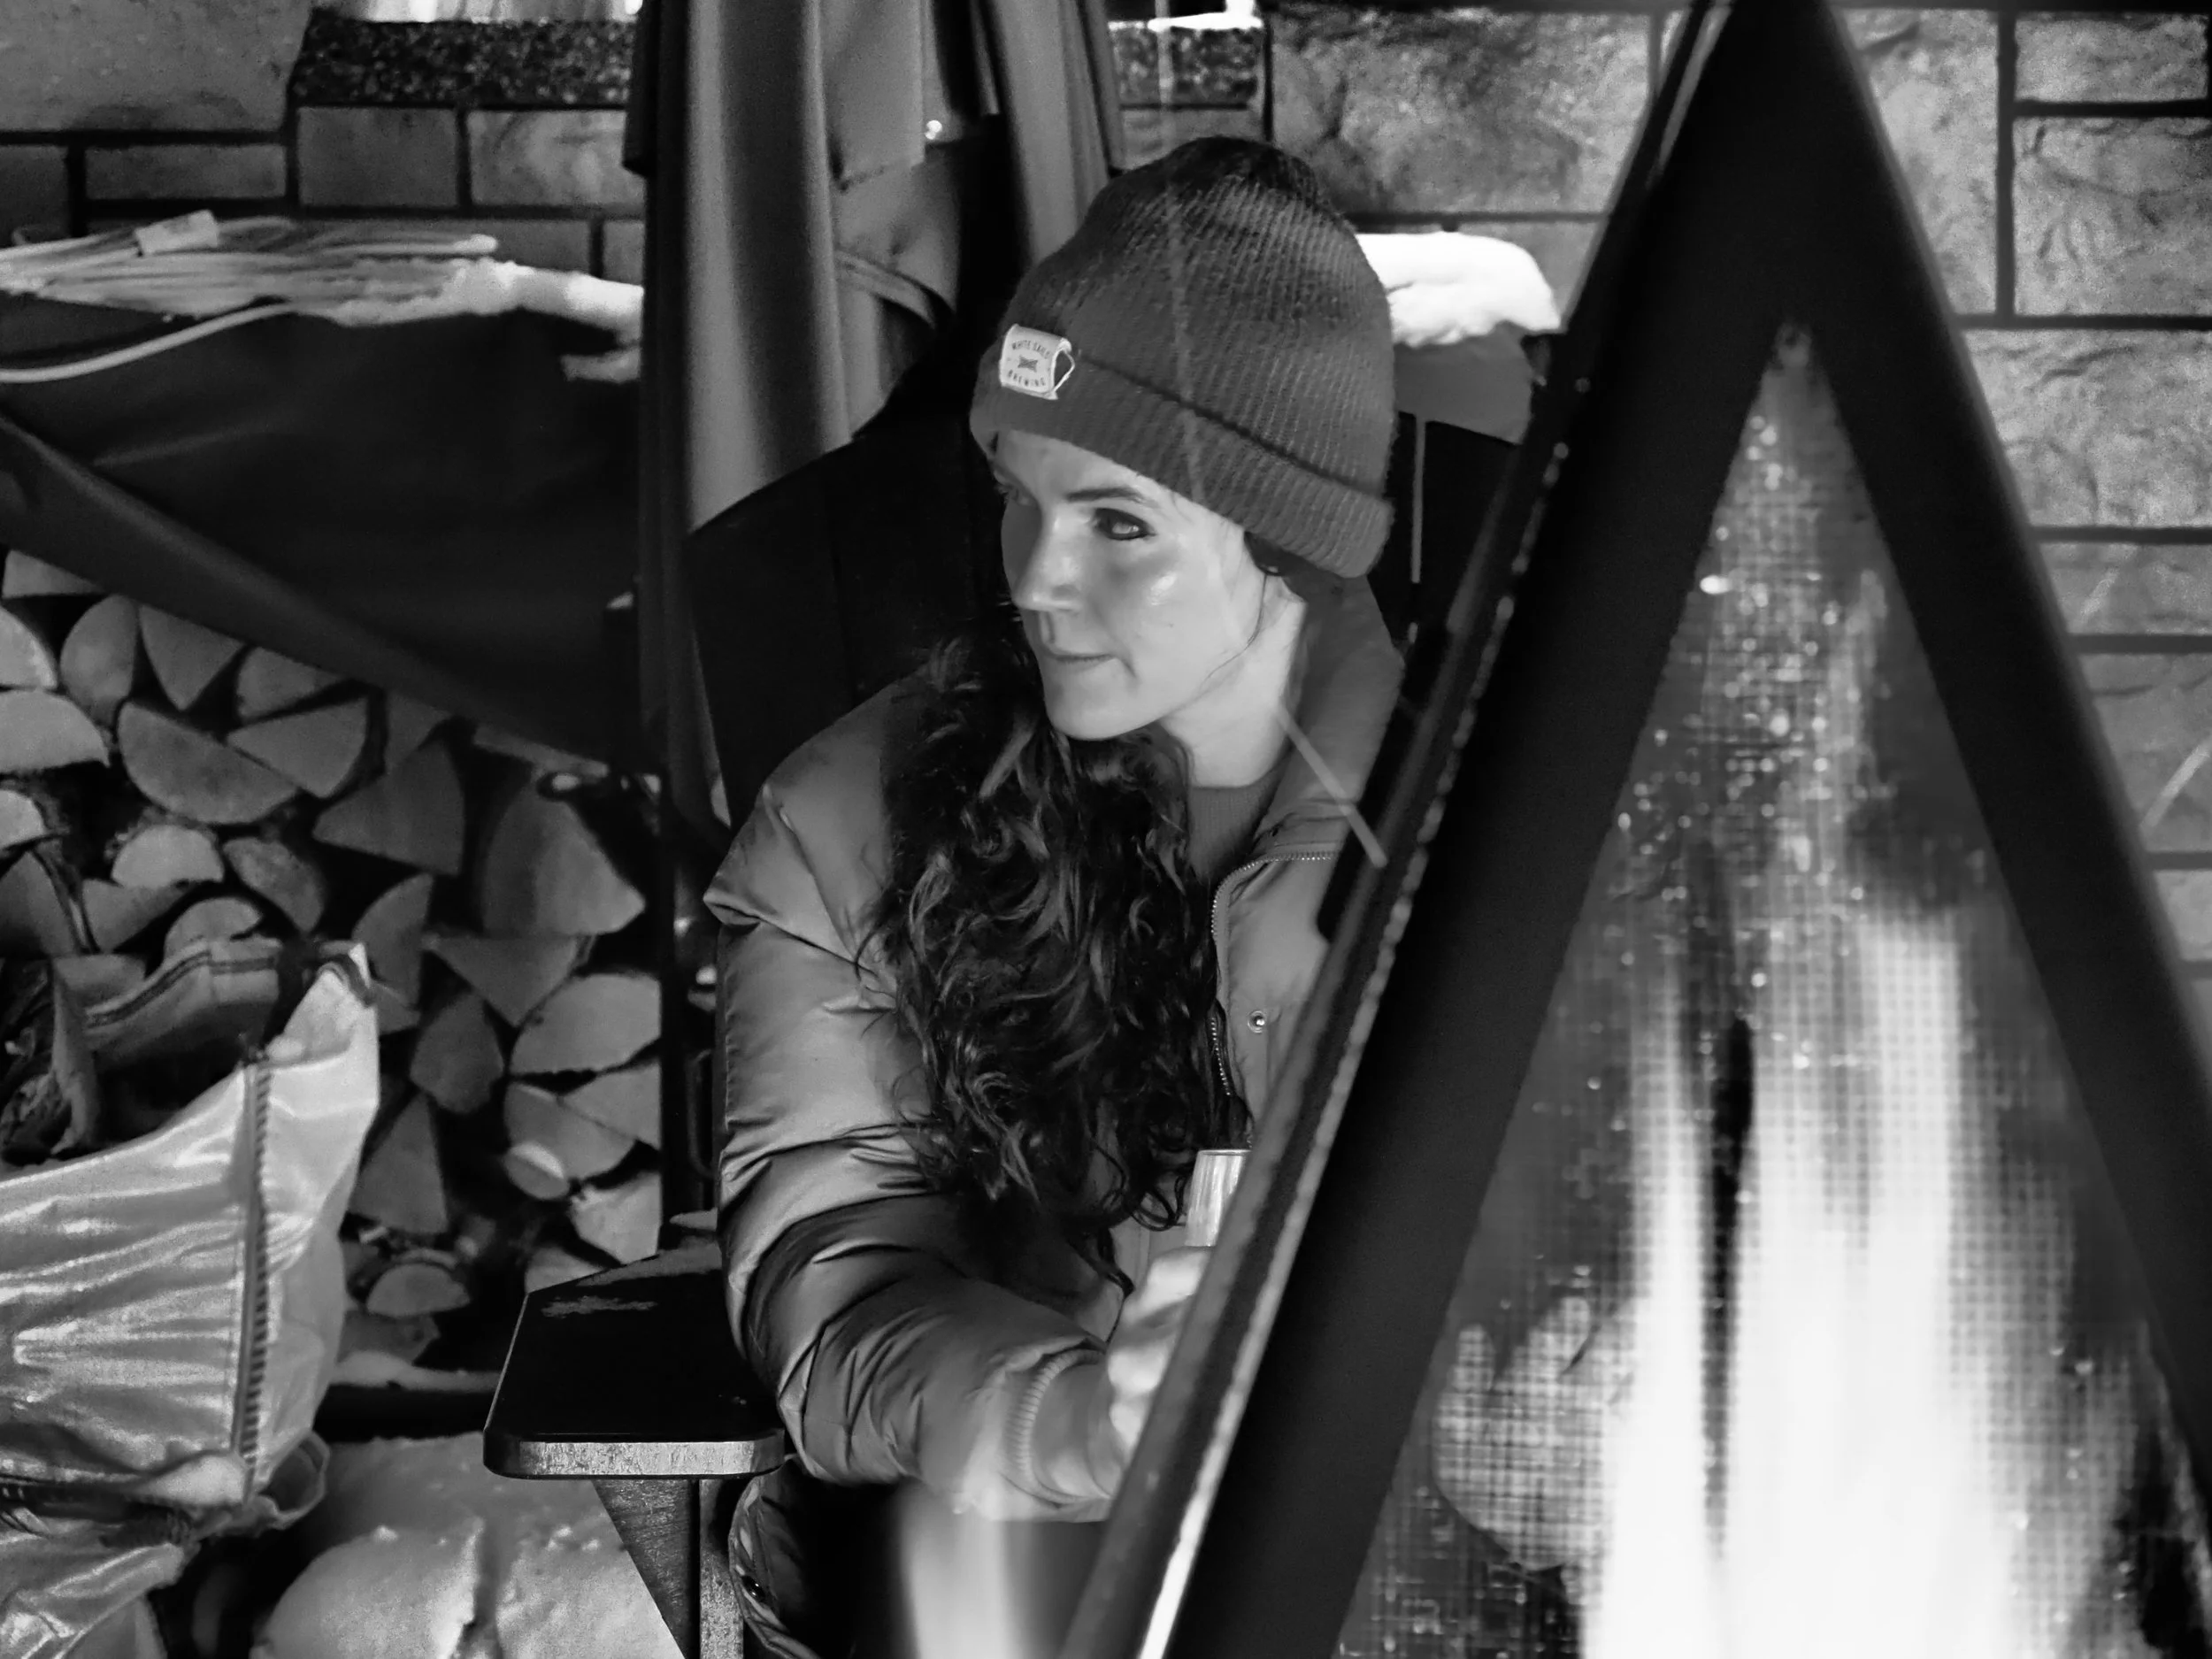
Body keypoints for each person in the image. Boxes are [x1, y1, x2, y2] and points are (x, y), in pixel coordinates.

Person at [705, 135, 1403, 1656]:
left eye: (1119, 523)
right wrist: (1071, 1421)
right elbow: (833, 1286)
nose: (1030, 573)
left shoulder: (1480, 808)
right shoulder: (843, 829)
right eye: (1020, 495)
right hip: (1014, 1562)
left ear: (1284, 542)